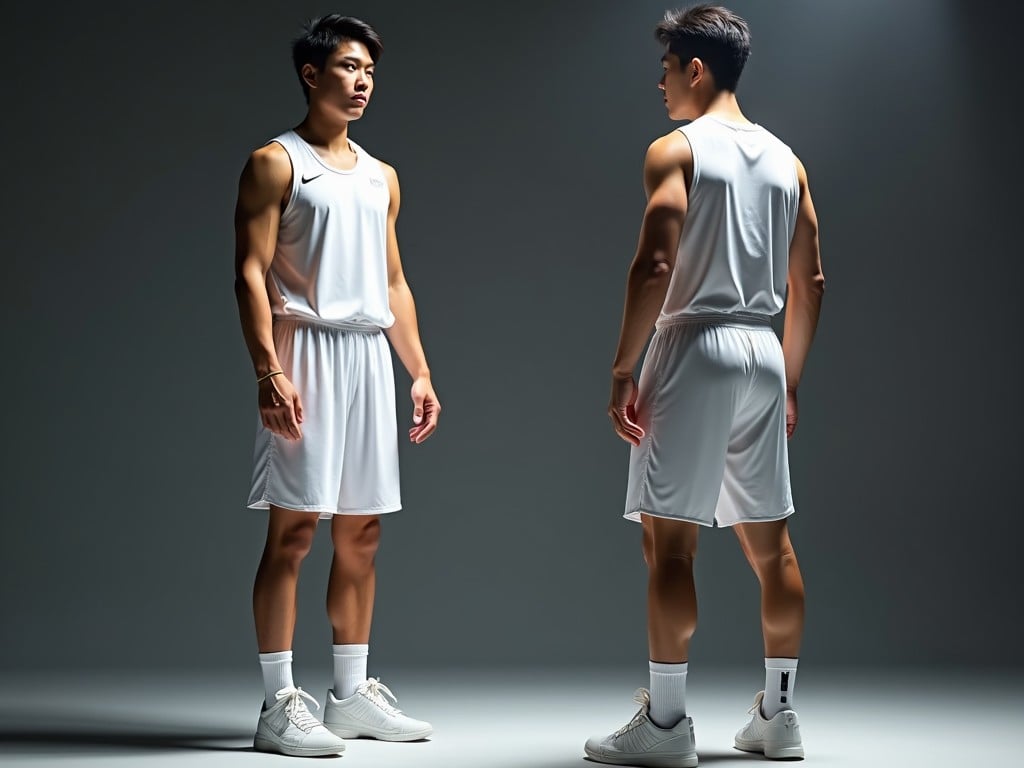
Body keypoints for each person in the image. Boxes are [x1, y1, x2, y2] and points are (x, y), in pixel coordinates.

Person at [584, 5, 824, 766]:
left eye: (665, 70)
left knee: (672, 548)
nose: (659, 85)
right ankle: (779, 716)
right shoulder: (789, 160)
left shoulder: (675, 150)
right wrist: (788, 377)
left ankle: (664, 728)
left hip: (692, 345)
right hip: (761, 349)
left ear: (695, 68)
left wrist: (624, 367)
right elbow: (810, 280)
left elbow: (655, 265)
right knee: (772, 546)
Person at [233, 14, 440, 757]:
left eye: (371, 73)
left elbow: (393, 280)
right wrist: (268, 369)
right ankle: (276, 704)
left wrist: (417, 370)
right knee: (293, 531)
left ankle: (349, 696)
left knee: (363, 530)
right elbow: (250, 272)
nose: (361, 83)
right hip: (305, 353)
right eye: (349, 68)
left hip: (366, 358)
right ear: (311, 75)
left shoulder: (382, 176)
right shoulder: (276, 163)